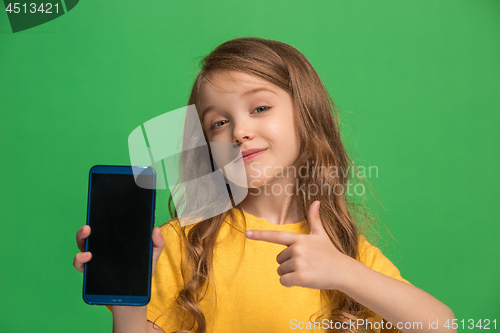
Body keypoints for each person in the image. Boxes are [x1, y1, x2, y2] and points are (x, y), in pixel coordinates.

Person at [73, 37, 456, 333]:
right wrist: (128, 311)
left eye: (259, 108)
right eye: (218, 123)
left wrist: (343, 272)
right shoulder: (182, 243)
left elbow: (443, 324)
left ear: (307, 115)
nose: (239, 131)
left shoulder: (341, 250)